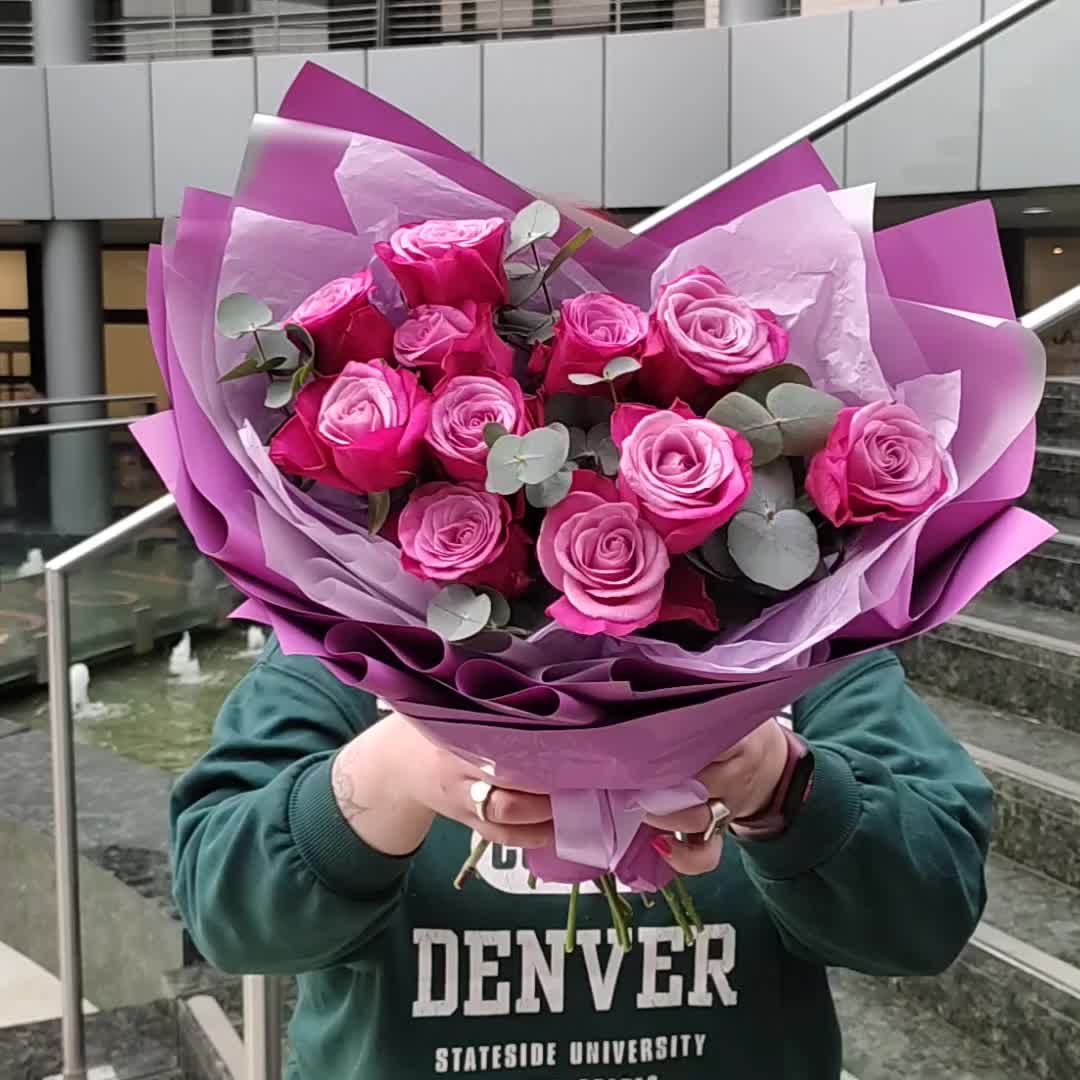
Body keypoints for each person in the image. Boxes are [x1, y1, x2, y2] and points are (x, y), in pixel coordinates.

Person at [171, 642, 992, 1079]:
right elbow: (227, 910)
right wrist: (389, 776)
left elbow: (929, 911)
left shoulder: (810, 643)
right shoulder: (342, 647)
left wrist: (780, 781)